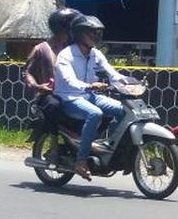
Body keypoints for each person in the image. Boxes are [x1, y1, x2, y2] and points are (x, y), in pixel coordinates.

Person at [53, 14, 125, 180]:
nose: (95, 36)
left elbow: (112, 73)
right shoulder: (66, 55)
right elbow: (68, 80)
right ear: (79, 33)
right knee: (95, 114)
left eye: (97, 33)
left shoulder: (95, 54)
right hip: (69, 98)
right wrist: (89, 86)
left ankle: (110, 147)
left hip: (89, 96)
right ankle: (81, 160)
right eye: (91, 33)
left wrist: (128, 82)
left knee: (123, 110)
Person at [23, 7, 80, 138]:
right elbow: (27, 73)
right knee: (53, 105)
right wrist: (38, 87)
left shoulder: (76, 49)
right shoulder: (41, 49)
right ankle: (54, 141)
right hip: (49, 95)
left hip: (74, 94)